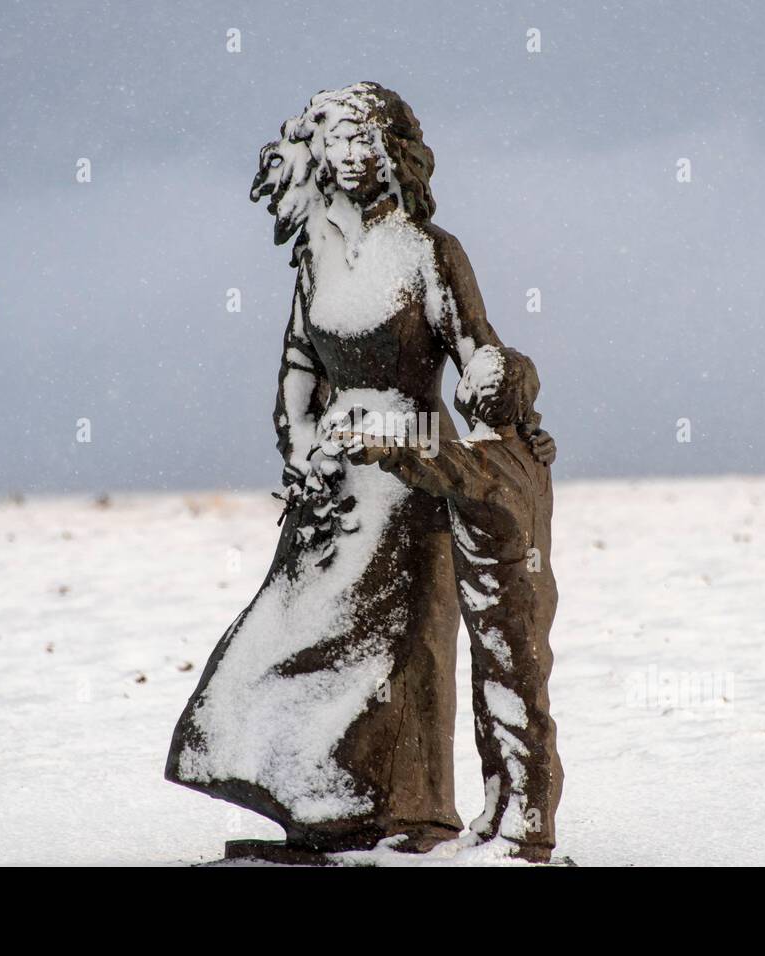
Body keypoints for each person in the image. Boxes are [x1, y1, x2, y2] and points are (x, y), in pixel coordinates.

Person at [165, 83, 555, 857]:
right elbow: (298, 365)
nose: (353, 154)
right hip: (335, 487)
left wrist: (506, 389)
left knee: (395, 654)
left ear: (395, 152)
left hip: (415, 467)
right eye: (339, 140)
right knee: (288, 639)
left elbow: (477, 347)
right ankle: (319, 805)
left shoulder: (429, 250)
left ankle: (402, 814)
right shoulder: (314, 256)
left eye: (368, 139)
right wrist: (303, 448)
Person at [348, 345, 563, 861]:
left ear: (473, 400)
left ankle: (527, 834)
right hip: (520, 602)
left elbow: (428, 458)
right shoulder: (528, 454)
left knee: (517, 714)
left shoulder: (480, 462)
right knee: (501, 706)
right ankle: (499, 813)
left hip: (505, 608)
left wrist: (374, 445)